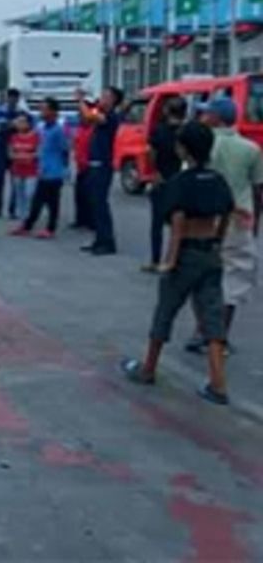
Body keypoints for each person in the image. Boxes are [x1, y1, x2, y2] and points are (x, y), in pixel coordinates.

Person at [121, 121, 234, 406]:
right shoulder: (217, 179)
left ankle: (148, 368)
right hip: (210, 252)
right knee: (212, 319)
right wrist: (218, 241)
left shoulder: (180, 183)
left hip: (185, 254)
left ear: (183, 150)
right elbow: (227, 213)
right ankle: (218, 384)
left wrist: (169, 261)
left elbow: (178, 223)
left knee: (165, 312)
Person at [184, 97, 263, 354]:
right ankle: (219, 337)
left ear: (216, 117)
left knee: (200, 274)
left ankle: (201, 330)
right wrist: (255, 224)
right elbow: (257, 189)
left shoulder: (202, 145)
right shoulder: (251, 149)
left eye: (207, 114)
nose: (203, 117)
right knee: (234, 279)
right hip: (239, 220)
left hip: (203, 220)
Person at [13, 98, 69, 239]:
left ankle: (48, 228)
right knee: (39, 200)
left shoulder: (58, 130)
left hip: (54, 172)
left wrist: (64, 169)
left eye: (44, 108)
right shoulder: (42, 127)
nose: (41, 111)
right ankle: (28, 226)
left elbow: (65, 149)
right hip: (44, 170)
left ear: (52, 111)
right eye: (41, 108)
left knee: (51, 202)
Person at [143, 99, 187, 273]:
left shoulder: (159, 131)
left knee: (157, 224)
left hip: (163, 179)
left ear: (168, 111)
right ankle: (176, 259)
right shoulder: (186, 131)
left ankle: (155, 261)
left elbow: (151, 153)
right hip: (181, 180)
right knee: (181, 223)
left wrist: (155, 172)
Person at [80, 87, 124, 255]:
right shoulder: (102, 112)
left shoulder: (112, 116)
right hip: (94, 163)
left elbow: (89, 116)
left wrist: (80, 100)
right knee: (94, 204)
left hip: (103, 164)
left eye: (106, 96)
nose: (102, 98)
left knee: (100, 204)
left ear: (114, 100)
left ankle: (107, 241)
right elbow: (87, 118)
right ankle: (99, 239)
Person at [0, 89, 22, 218]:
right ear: (7, 98)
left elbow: (24, 127)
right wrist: (12, 125)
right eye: (10, 98)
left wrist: (7, 126)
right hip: (1, 147)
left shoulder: (21, 112)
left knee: (15, 180)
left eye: (14, 99)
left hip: (16, 147)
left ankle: (12, 209)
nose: (12, 101)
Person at [6, 113, 38, 221]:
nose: (20, 124)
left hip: (31, 170)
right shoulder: (14, 137)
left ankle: (30, 214)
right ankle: (21, 215)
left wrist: (27, 156)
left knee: (29, 193)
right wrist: (18, 156)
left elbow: (38, 152)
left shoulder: (35, 136)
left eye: (23, 121)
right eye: (19, 122)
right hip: (17, 169)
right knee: (19, 193)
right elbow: (10, 153)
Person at [70, 106, 96, 231]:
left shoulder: (93, 130)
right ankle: (80, 219)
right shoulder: (79, 130)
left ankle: (91, 221)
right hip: (80, 166)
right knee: (79, 194)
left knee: (89, 195)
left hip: (89, 166)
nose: (81, 118)